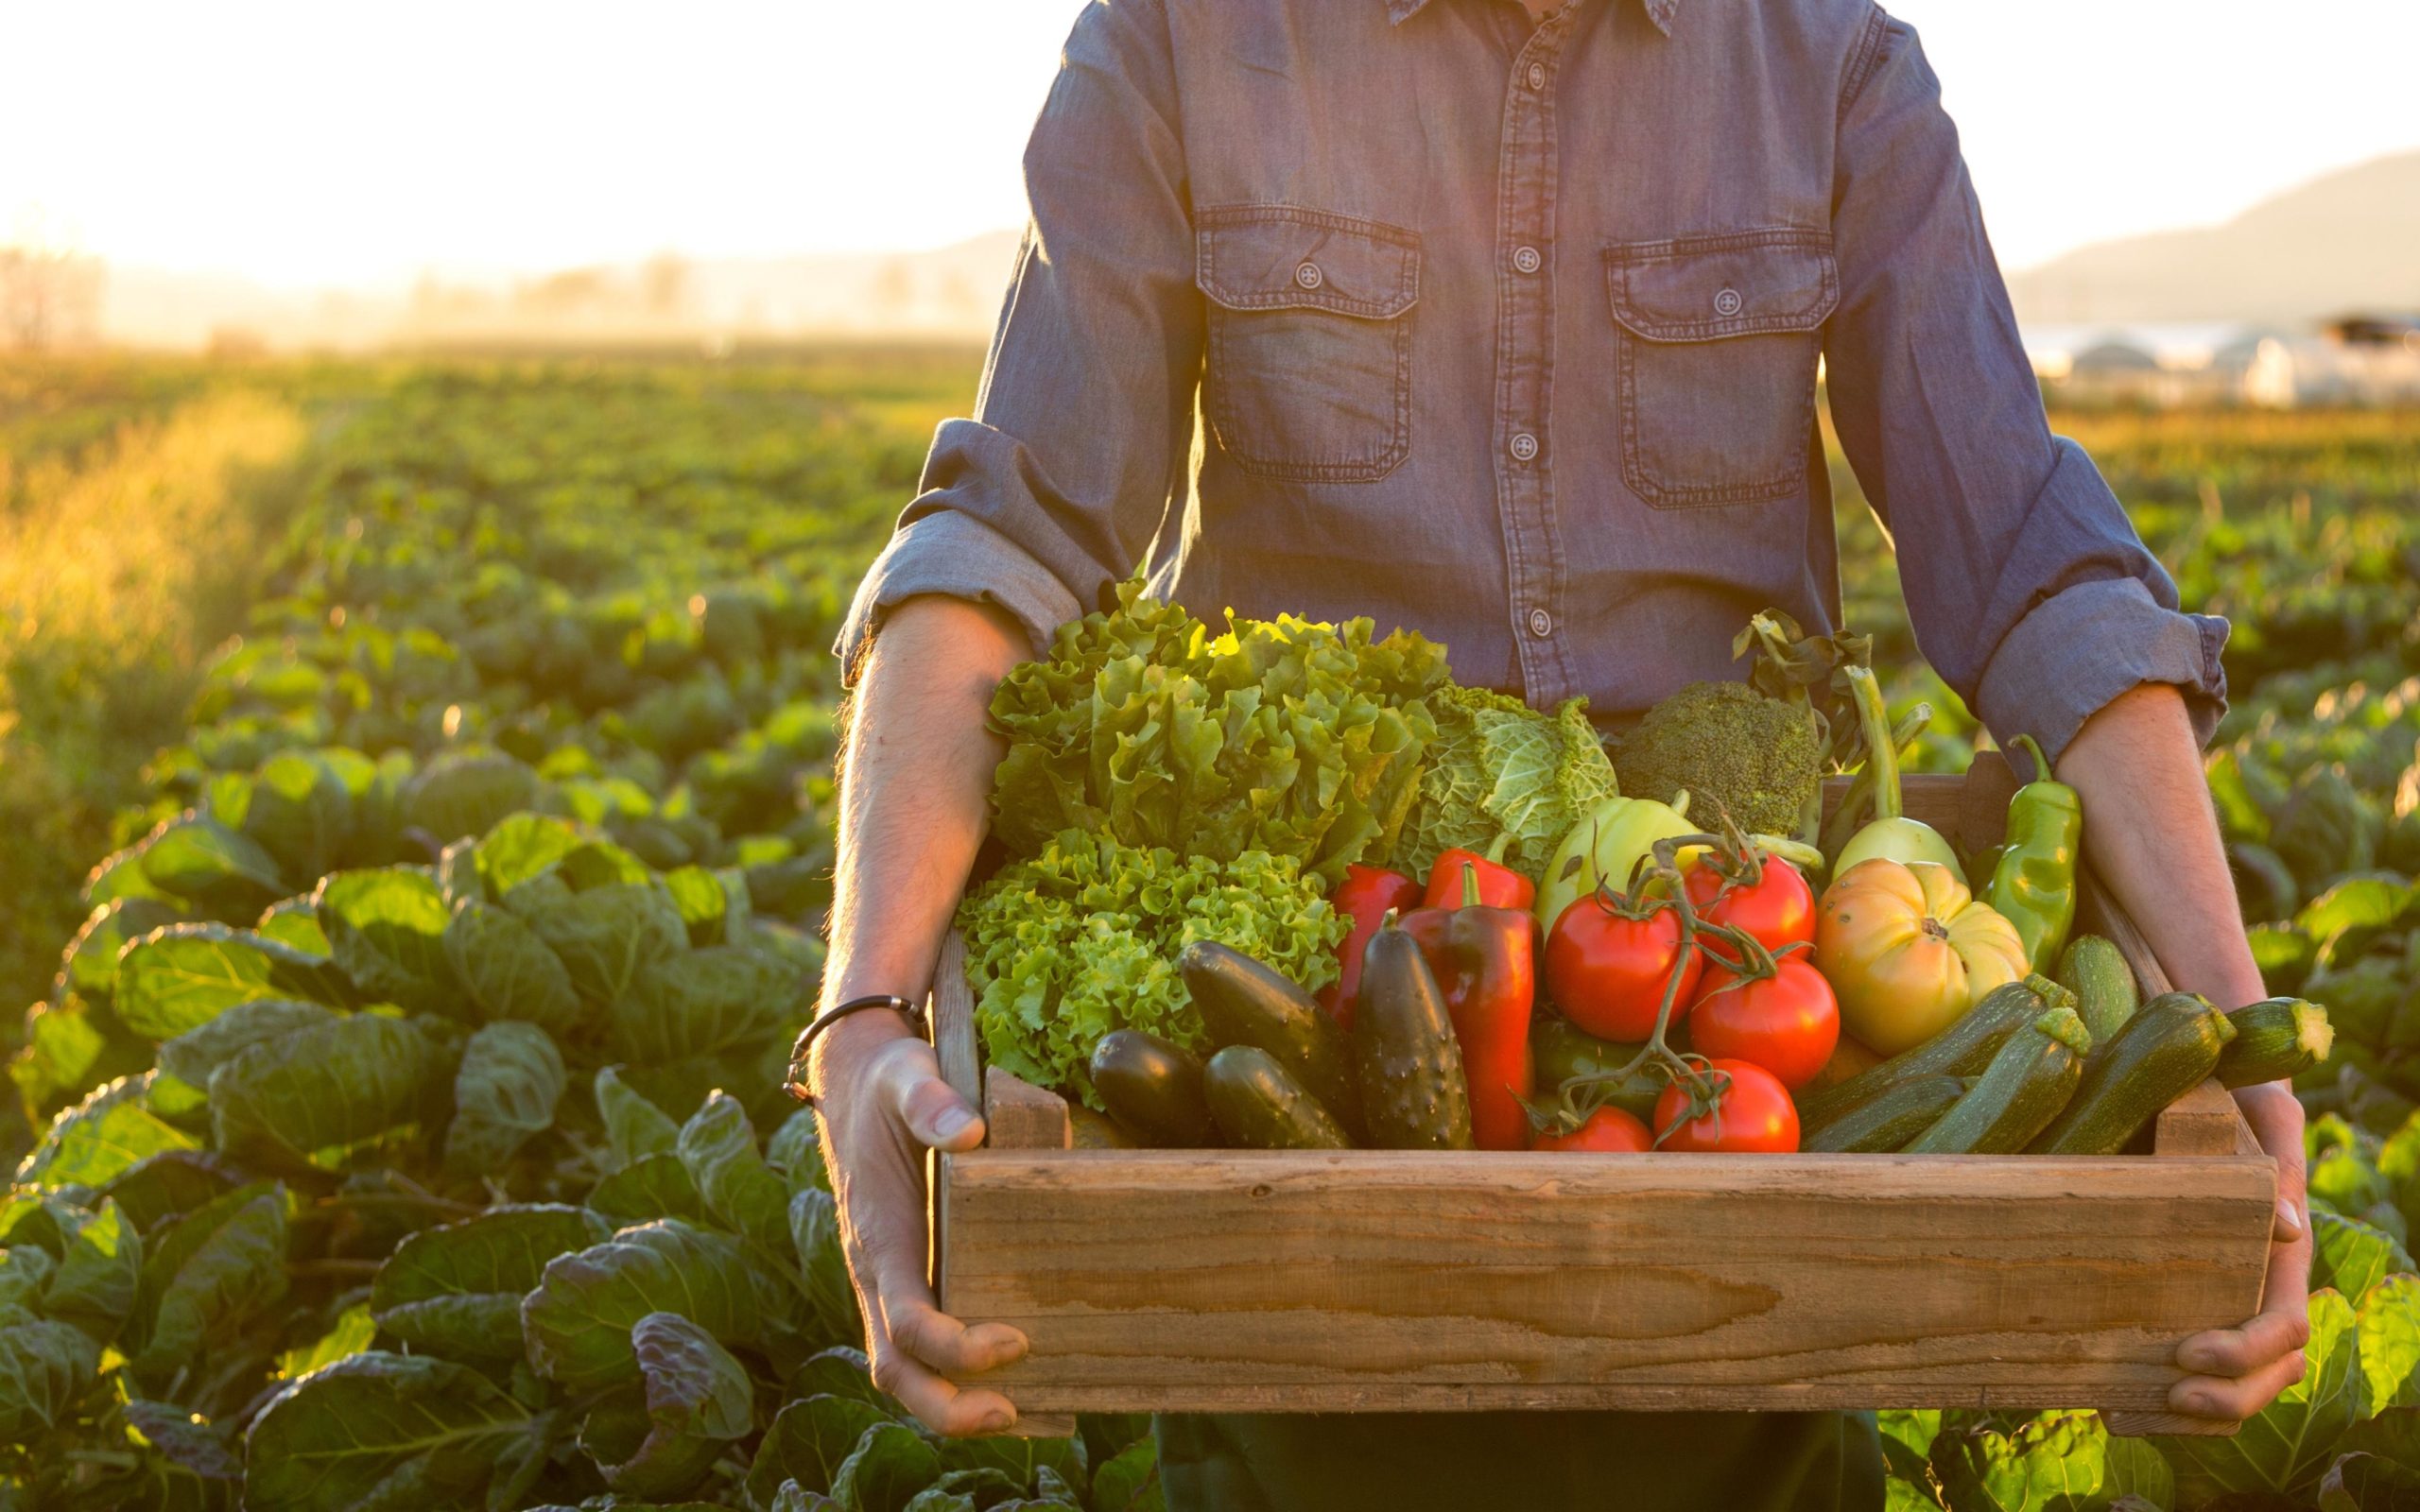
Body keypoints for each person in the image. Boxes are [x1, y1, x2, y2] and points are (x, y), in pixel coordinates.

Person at [801, 0, 2312, 1506]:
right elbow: (1006, 534)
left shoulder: (1828, 62)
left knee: (1761, 1446)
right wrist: (864, 1011)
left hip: (1738, 1025)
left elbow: (2037, 568)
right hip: (1317, 1064)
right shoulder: (1183, 38)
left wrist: (2237, 1051)